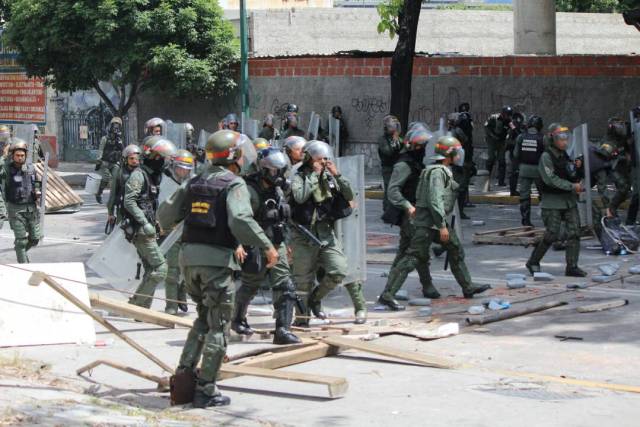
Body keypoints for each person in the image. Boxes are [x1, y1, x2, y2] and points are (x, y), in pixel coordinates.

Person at [158, 129, 278, 408]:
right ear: (235, 156)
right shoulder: (233, 184)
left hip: (189, 262)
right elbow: (240, 221)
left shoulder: (195, 181)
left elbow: (164, 216)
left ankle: (184, 380)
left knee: (202, 320)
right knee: (219, 327)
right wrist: (267, 246)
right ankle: (206, 390)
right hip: (216, 265)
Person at [384, 136, 491, 304]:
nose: (459, 155)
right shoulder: (437, 173)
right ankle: (388, 294)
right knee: (412, 258)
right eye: (457, 151)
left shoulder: (440, 170)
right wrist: (442, 226)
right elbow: (435, 201)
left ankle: (467, 286)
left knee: (455, 249)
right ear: (449, 154)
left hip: (432, 223)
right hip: (427, 224)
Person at [290, 140, 367, 324]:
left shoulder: (330, 176)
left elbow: (349, 195)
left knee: (338, 270)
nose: (323, 162)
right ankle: (302, 320)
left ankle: (315, 299)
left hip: (325, 232)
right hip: (303, 234)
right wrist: (315, 175)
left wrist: (337, 174)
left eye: (325, 159)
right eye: (320, 159)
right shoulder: (299, 174)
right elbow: (300, 197)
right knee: (302, 281)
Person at [232, 147, 302, 345]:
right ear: (263, 170)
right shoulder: (248, 190)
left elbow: (282, 219)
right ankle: (236, 318)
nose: (278, 176)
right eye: (274, 171)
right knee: (250, 285)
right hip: (254, 244)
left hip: (276, 243)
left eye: (281, 171)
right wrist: (238, 244)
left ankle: (282, 330)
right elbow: (238, 220)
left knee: (286, 286)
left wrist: (285, 244)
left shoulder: (277, 190)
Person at [377, 124, 435, 310]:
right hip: (411, 216)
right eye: (421, 145)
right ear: (413, 146)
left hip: (417, 214)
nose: (423, 148)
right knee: (416, 252)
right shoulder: (403, 164)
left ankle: (427, 286)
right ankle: (389, 293)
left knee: (411, 252)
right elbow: (393, 191)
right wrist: (408, 206)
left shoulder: (416, 162)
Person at [526, 125, 587, 277]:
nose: (565, 141)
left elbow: (568, 173)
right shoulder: (546, 157)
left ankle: (572, 266)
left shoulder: (564, 155)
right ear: (553, 139)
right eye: (561, 138)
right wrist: (572, 186)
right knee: (551, 235)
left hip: (568, 201)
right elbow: (550, 180)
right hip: (552, 202)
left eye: (566, 137)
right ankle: (533, 262)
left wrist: (576, 168)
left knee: (574, 233)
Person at [123, 136, 176, 309]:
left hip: (148, 229)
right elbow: (129, 202)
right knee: (161, 268)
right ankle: (135, 305)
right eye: (162, 158)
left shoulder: (151, 176)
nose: (164, 163)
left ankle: (142, 310)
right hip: (141, 231)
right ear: (153, 157)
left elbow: (149, 204)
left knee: (150, 270)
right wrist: (145, 223)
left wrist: (156, 223)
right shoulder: (138, 176)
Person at [162, 149, 194, 315]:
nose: (184, 172)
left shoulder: (192, 184)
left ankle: (182, 294)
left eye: (187, 169)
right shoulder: (165, 183)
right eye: (181, 168)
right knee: (172, 270)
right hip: (172, 232)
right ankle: (171, 305)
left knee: (187, 269)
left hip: (189, 231)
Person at [0, 139, 42, 263]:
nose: (20, 158)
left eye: (22, 155)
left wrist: (37, 191)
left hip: (31, 208)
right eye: (17, 155)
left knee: (35, 238)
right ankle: (24, 264)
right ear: (12, 156)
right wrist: (4, 156)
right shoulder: (6, 170)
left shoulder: (30, 167)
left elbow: (37, 182)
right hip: (15, 210)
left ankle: (20, 249)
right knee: (21, 241)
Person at [514, 115, 545, 227]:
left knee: (524, 196)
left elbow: (516, 154)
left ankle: (525, 220)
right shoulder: (543, 138)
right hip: (539, 170)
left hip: (524, 169)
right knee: (543, 194)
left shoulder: (521, 137)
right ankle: (547, 218)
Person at [106, 144, 142, 227]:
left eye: (136, 158)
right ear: (126, 159)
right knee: (122, 232)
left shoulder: (143, 172)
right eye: (131, 158)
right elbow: (113, 193)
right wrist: (110, 213)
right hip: (123, 210)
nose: (134, 161)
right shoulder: (120, 173)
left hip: (140, 209)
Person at [95, 117, 124, 204]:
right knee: (106, 177)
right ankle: (99, 193)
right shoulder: (105, 138)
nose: (116, 128)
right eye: (114, 126)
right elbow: (100, 149)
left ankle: (115, 197)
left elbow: (123, 151)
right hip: (105, 162)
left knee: (116, 178)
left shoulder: (119, 139)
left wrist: (120, 143)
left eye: (117, 126)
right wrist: (98, 160)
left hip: (114, 163)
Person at [448, 113, 472, 220]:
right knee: (460, 187)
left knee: (460, 187)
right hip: (458, 163)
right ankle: (458, 211)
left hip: (458, 161)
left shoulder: (453, 131)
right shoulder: (456, 132)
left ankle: (458, 211)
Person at [484, 106, 514, 187]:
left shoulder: (509, 121)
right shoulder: (493, 117)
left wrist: (509, 135)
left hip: (501, 142)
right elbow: (486, 127)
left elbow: (512, 129)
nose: (508, 116)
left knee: (502, 161)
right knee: (491, 159)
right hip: (492, 141)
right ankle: (486, 180)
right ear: (503, 113)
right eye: (507, 115)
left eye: (509, 115)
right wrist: (492, 135)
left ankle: (501, 182)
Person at [378, 115, 402, 212]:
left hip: (397, 167)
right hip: (387, 168)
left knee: (395, 189)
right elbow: (388, 152)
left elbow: (402, 147)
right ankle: (387, 209)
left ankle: (394, 209)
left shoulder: (397, 138)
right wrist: (395, 140)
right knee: (389, 188)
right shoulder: (383, 139)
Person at [507, 111, 526, 196]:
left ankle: (524, 189)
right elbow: (508, 141)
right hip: (514, 153)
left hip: (522, 153)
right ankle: (513, 191)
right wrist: (517, 142)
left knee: (523, 172)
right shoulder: (511, 129)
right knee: (514, 172)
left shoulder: (522, 128)